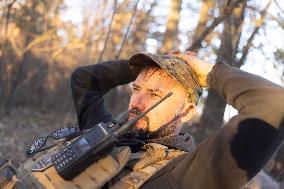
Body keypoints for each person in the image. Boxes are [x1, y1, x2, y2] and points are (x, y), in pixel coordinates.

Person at [0, 50, 283, 189]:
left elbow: (274, 104)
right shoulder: (108, 131)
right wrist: (151, 64)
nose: (136, 102)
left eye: (154, 94)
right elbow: (84, 80)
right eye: (136, 89)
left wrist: (209, 73)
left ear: (186, 111)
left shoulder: (185, 172)